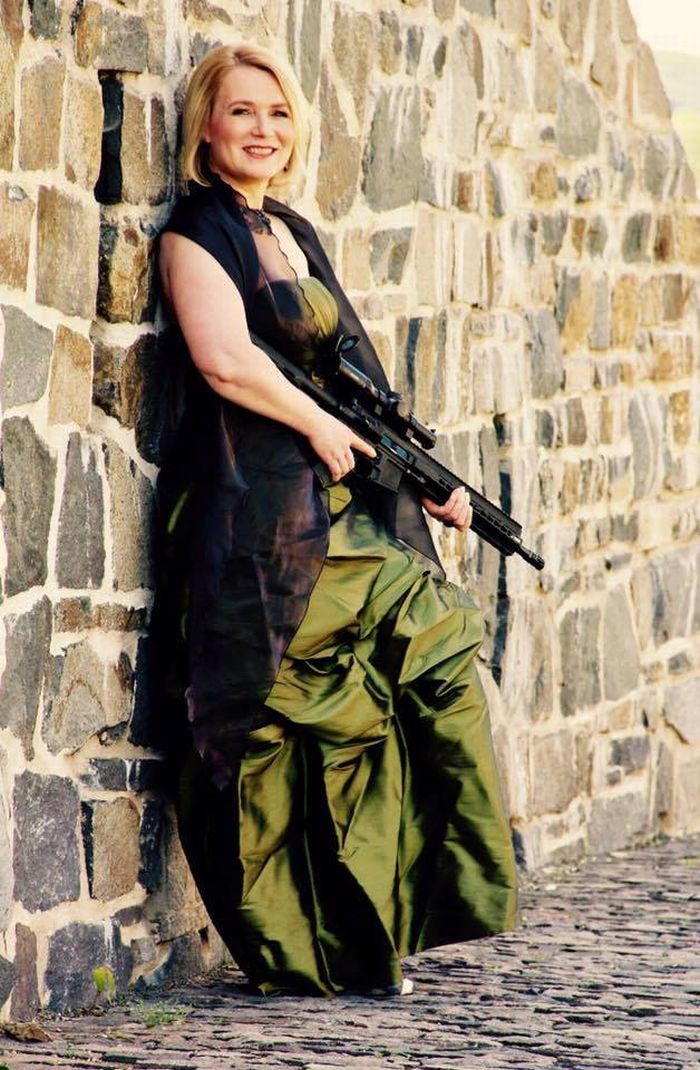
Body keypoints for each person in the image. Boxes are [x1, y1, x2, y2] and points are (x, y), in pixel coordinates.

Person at [154, 40, 518, 998]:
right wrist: (317, 426)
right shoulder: (197, 230)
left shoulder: (293, 230)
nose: (262, 130)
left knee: (427, 668)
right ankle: (310, 946)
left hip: (338, 496)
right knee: (298, 721)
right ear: (204, 126)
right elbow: (225, 360)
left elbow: (358, 386)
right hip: (259, 508)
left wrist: (427, 479)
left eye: (277, 113)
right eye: (241, 111)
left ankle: (394, 920)